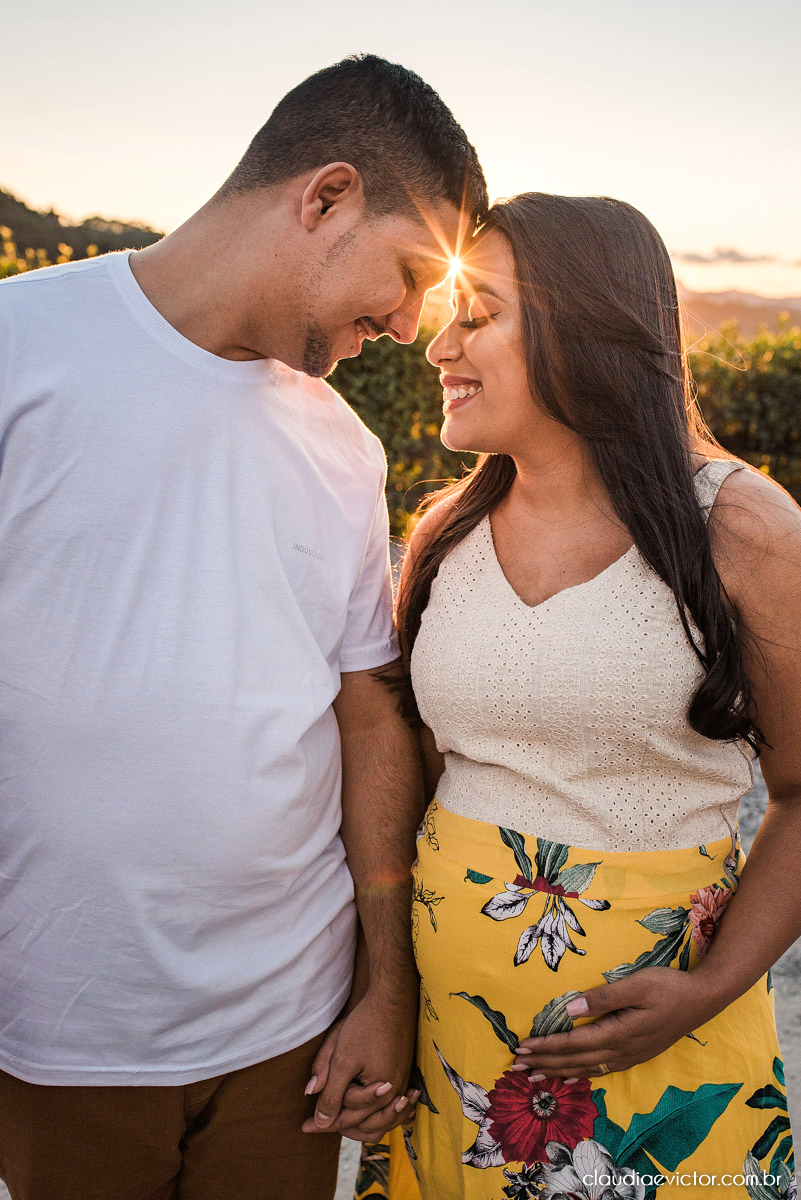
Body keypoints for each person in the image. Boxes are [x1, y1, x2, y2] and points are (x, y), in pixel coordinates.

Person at [0, 55, 487, 1200]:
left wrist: (384, 989)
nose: (415, 324)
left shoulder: (342, 447)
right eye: (413, 272)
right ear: (323, 197)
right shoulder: (18, 349)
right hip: (62, 1021)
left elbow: (367, 714)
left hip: (293, 1034)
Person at [357, 194, 800, 1199]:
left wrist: (709, 989)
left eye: (480, 313)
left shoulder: (742, 529)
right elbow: (424, 786)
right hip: (456, 1057)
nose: (439, 346)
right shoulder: (442, 542)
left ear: (586, 327)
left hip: (667, 1059)